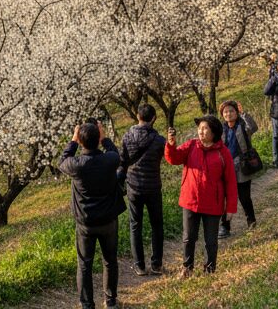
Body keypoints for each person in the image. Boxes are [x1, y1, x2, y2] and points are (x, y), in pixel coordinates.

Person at [59, 118, 124, 309]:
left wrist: (72, 140)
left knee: (85, 264)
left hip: (86, 223)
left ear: (80, 140)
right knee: (110, 261)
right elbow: (116, 153)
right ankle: (111, 301)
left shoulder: (76, 165)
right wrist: (104, 138)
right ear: (98, 139)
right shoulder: (109, 160)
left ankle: (87, 304)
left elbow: (62, 160)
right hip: (108, 221)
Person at [164, 114, 238, 277]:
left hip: (213, 204)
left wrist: (231, 207)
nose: (201, 131)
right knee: (188, 238)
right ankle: (187, 268)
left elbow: (231, 182)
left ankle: (210, 270)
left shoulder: (223, 153)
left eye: (205, 128)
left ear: (214, 132)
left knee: (211, 241)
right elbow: (173, 158)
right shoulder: (191, 146)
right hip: (190, 200)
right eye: (200, 128)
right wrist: (171, 144)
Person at [118, 103, 166, 277]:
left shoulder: (127, 137)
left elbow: (122, 161)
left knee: (135, 226)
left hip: (134, 187)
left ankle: (139, 266)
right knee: (157, 225)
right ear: (153, 118)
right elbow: (166, 156)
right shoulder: (159, 140)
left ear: (138, 116)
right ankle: (156, 265)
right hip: (153, 187)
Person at [218, 100, 258, 238]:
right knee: (225, 198)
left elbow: (253, 127)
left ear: (236, 112)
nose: (228, 114)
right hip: (225, 168)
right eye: (225, 112)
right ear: (222, 115)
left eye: (231, 111)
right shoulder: (221, 129)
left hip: (242, 166)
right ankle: (225, 226)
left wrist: (244, 114)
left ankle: (251, 220)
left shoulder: (242, 126)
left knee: (244, 196)